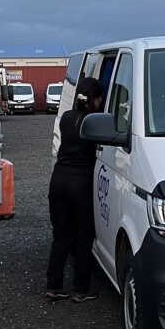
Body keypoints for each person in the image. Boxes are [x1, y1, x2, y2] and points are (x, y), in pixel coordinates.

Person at [45, 77, 104, 302]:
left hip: (59, 180)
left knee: (60, 236)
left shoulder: (67, 118)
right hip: (81, 183)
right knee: (83, 236)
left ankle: (54, 285)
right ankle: (81, 289)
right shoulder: (94, 122)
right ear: (96, 99)